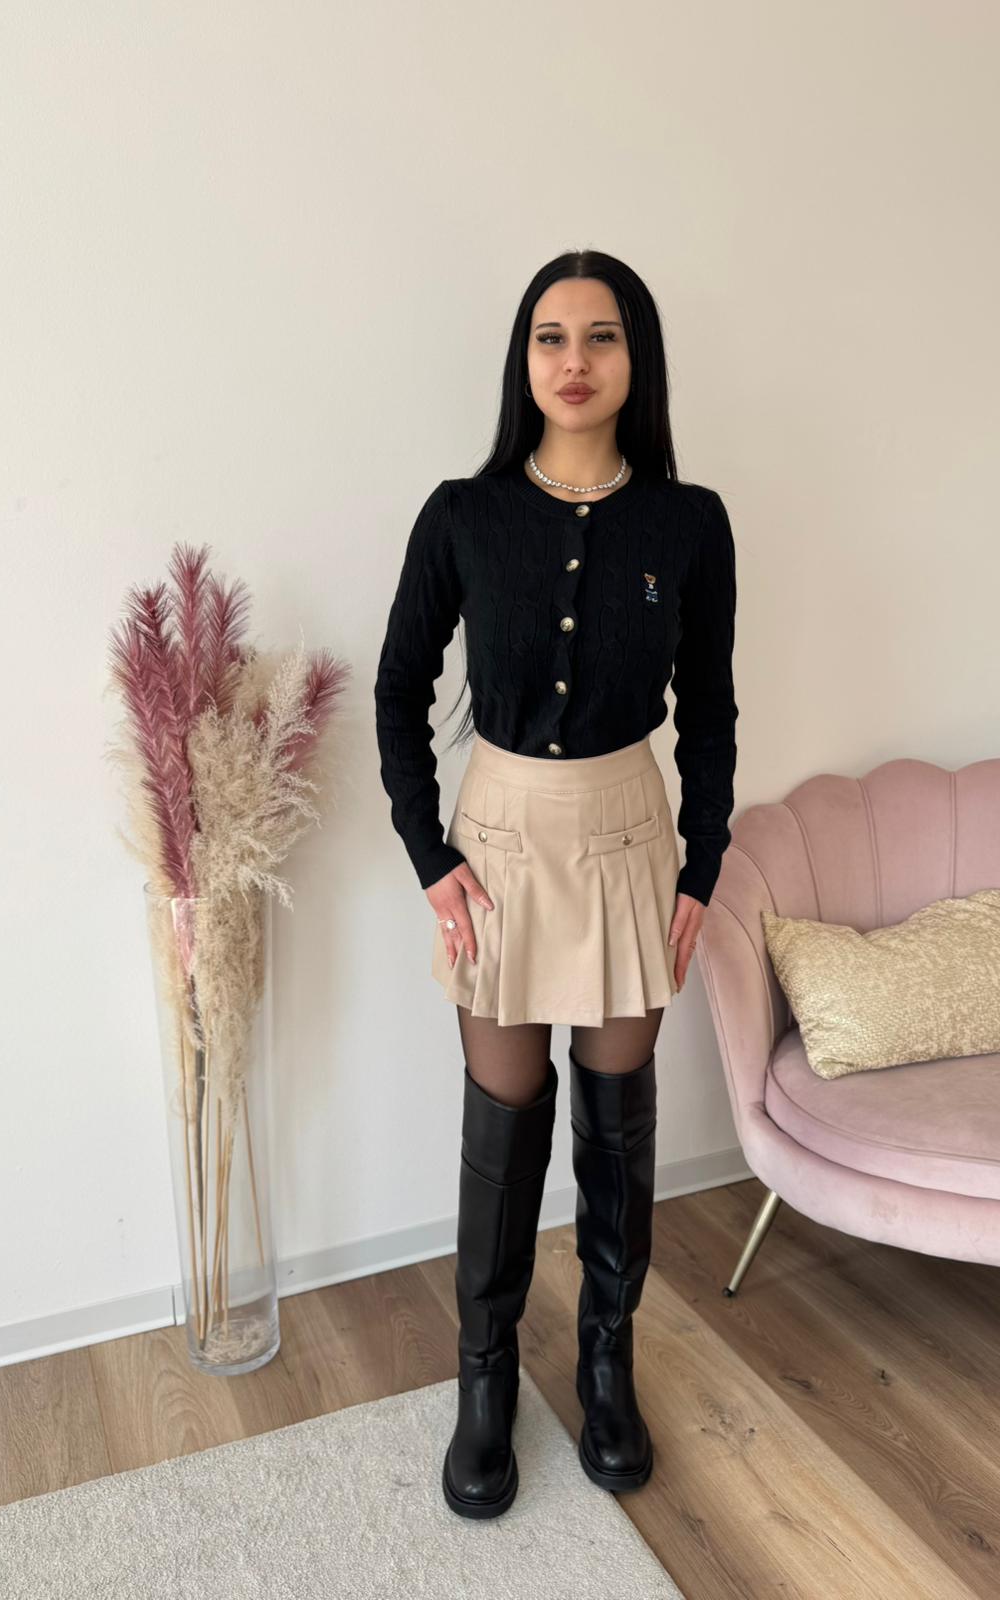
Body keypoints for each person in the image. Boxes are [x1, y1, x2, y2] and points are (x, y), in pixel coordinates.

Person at [373, 248, 738, 1519]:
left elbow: (710, 710)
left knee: (616, 1116)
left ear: (637, 358)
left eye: (600, 336)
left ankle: (604, 1365)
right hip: (500, 843)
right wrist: (428, 854)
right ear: (521, 360)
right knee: (503, 1109)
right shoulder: (461, 515)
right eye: (549, 336)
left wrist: (702, 861)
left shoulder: (687, 523)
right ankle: (483, 1378)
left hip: (630, 838)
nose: (572, 361)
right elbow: (398, 688)